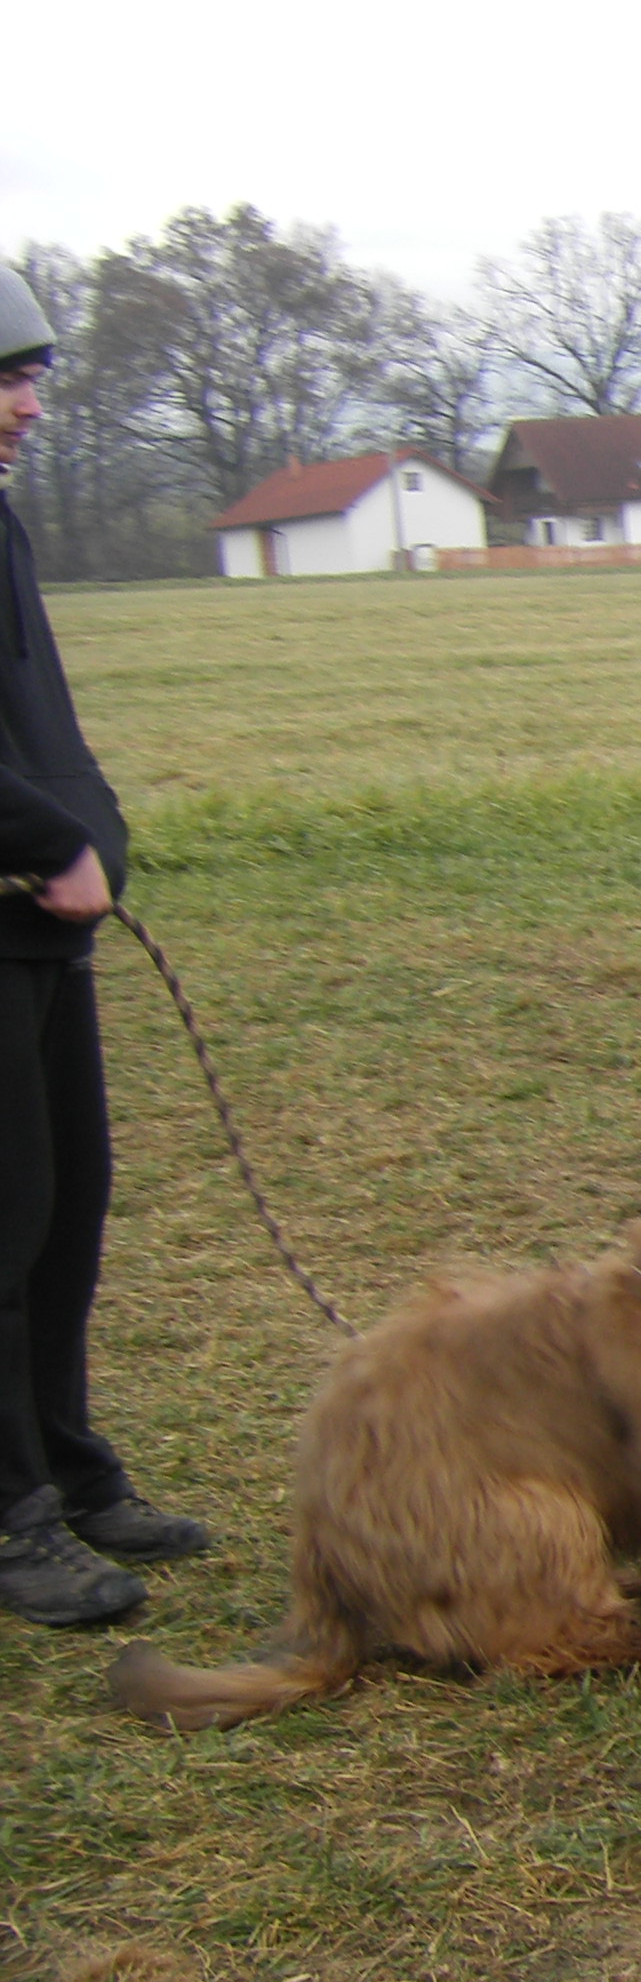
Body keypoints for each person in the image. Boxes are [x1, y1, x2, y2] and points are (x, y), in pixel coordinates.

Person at [0, 264, 210, 1627]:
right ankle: (9, 1516)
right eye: (10, 375)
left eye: (31, 376)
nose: (26, 404)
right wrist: (36, 837)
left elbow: (39, 717)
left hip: (38, 936)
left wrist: (96, 828)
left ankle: (68, 1466)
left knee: (67, 1209)